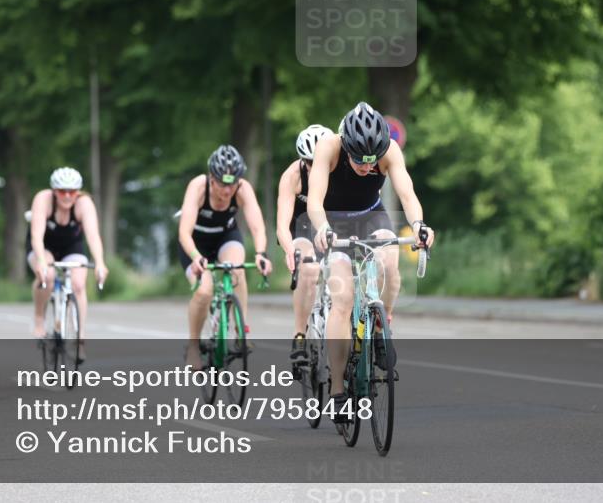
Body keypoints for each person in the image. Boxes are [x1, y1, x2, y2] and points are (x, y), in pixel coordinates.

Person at [307, 102, 435, 421]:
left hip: (370, 216)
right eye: (359, 162)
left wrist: (419, 226)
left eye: (372, 162)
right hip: (334, 222)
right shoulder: (329, 148)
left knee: (390, 264)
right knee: (342, 301)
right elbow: (314, 199)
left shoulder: (389, 150)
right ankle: (337, 388)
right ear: (345, 146)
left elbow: (407, 194)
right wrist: (321, 227)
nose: (366, 168)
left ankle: (382, 324)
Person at [179, 145, 273, 370]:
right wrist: (195, 257)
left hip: (225, 238)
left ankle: (240, 331)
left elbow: (257, 226)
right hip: (195, 243)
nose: (227, 191)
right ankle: (193, 346)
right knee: (204, 291)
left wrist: (261, 253)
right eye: (222, 184)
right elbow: (183, 232)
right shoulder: (198, 187)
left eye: (233, 184)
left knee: (237, 269)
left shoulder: (242, 189)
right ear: (212, 178)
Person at [27, 167, 108, 349]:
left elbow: (93, 236)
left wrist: (100, 263)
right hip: (44, 245)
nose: (67, 196)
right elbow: (37, 236)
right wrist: (41, 262)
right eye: (62, 191)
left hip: (71, 245)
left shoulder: (84, 203)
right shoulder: (43, 199)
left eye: (72, 192)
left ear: (77, 192)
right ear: (55, 191)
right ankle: (39, 319)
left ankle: (80, 335)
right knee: (47, 275)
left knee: (79, 283)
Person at [276, 124, 334, 362]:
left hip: (333, 223)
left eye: (319, 161)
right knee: (309, 270)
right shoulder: (292, 176)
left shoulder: (342, 170)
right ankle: (300, 332)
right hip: (301, 227)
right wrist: (290, 250)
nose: (314, 168)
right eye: (309, 163)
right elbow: (282, 224)